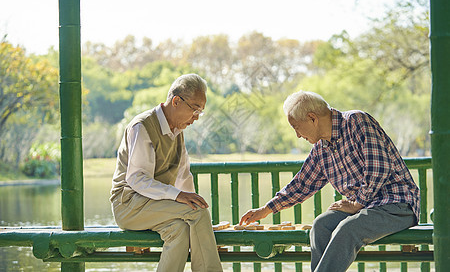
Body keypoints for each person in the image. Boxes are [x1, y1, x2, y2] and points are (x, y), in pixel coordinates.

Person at [240, 91, 420, 272]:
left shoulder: (357, 122)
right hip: (365, 208)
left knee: (348, 229)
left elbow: (379, 169)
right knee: (321, 226)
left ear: (312, 118)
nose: (297, 135)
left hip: (398, 205)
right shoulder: (321, 148)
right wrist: (266, 209)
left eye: (296, 127)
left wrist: (358, 203)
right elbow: (302, 184)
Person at [110, 74, 223, 272]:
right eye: (195, 109)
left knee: (179, 231)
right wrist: (183, 200)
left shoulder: (178, 131)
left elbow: (184, 177)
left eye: (200, 112)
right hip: (128, 205)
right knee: (196, 211)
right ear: (176, 101)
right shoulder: (142, 126)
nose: (196, 117)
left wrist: (192, 203)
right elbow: (137, 179)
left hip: (153, 207)